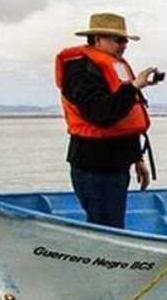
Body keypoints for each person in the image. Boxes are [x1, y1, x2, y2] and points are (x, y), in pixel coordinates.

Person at [54, 12, 161, 229]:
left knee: (112, 225)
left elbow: (124, 118)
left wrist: (137, 158)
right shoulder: (80, 70)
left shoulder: (116, 65)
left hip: (117, 165)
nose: (124, 45)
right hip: (94, 167)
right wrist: (132, 88)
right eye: (118, 40)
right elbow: (100, 114)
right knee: (106, 229)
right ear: (97, 38)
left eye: (125, 40)